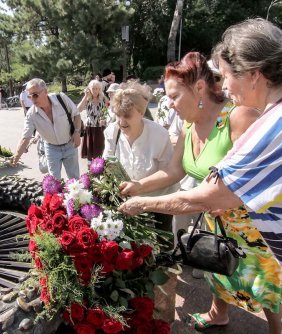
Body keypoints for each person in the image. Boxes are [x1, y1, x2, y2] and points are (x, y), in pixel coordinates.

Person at [119, 19, 282, 334]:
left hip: (252, 227)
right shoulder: (189, 125)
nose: (168, 104)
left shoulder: (243, 117)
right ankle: (218, 315)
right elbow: (175, 170)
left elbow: (222, 190)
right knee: (219, 273)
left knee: (265, 287)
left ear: (198, 89)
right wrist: (139, 185)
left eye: (174, 96)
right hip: (218, 219)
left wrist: (142, 203)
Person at [103, 80, 178, 231]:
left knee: (162, 248)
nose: (121, 122)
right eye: (118, 115)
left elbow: (168, 174)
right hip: (126, 202)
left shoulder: (159, 135)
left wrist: (140, 187)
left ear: (142, 113)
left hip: (157, 205)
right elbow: (106, 164)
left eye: (127, 115)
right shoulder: (112, 132)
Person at [10, 78, 81, 180]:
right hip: (51, 149)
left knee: (74, 180)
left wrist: (77, 132)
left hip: (70, 144)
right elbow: (25, 137)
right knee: (54, 182)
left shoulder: (61, 98)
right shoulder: (31, 114)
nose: (32, 99)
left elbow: (76, 115)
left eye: (35, 95)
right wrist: (16, 156)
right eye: (29, 96)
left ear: (45, 92)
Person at [77, 80, 109, 163]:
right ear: (89, 89)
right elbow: (78, 109)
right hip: (89, 127)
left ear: (100, 89)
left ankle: (101, 165)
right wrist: (85, 96)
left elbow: (110, 106)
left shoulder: (102, 99)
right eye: (93, 88)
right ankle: (91, 167)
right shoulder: (87, 99)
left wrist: (103, 95)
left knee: (100, 147)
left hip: (100, 127)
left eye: (97, 88)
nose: (95, 90)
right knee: (90, 148)